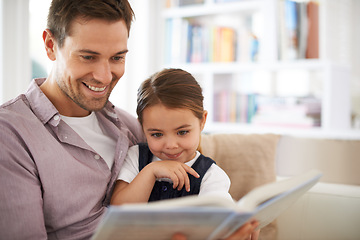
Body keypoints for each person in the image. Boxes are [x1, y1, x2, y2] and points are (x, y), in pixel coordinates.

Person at [0, 0, 258, 239]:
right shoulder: (11, 134)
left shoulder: (129, 127)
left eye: (117, 58)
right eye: (88, 56)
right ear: (50, 45)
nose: (104, 76)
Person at [111, 68, 233, 205]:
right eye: (157, 134)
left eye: (182, 132)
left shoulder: (210, 176)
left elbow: (219, 217)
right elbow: (119, 209)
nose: (171, 145)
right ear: (142, 127)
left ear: (202, 121)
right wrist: (151, 171)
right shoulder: (136, 157)